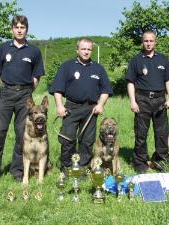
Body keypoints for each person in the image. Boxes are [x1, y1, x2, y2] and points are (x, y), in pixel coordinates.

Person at [0, 15, 45, 183]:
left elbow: (36, 77)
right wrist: (7, 88)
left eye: (22, 27)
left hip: (25, 96)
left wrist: (26, 91)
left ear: (26, 30)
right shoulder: (3, 48)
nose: (19, 30)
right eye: (16, 27)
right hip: (6, 94)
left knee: (20, 134)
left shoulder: (34, 51)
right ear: (12, 29)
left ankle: (17, 171)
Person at [49, 37, 113, 175]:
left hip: (91, 110)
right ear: (77, 50)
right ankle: (66, 167)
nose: (86, 52)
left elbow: (106, 90)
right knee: (67, 139)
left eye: (89, 49)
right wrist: (59, 106)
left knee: (87, 141)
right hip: (71, 108)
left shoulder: (98, 68)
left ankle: (82, 167)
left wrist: (100, 104)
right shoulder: (67, 66)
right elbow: (57, 89)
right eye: (83, 49)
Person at [125, 30, 169, 174]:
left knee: (161, 133)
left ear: (155, 42)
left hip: (160, 100)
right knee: (141, 133)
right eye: (146, 41)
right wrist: (133, 101)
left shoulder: (163, 59)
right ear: (143, 42)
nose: (148, 43)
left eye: (151, 41)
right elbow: (130, 82)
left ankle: (161, 162)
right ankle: (140, 163)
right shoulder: (136, 59)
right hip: (142, 99)